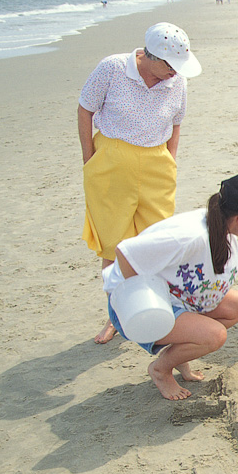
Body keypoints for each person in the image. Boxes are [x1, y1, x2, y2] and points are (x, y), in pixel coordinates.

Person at [79, 22, 202, 344]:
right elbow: (85, 108)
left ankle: (158, 311)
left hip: (156, 163)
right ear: (151, 57)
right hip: (111, 160)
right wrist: (89, 157)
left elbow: (177, 122)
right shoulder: (113, 68)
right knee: (113, 243)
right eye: (171, 67)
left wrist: (170, 159)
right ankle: (115, 318)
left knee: (157, 241)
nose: (176, 73)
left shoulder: (176, 82)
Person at [102, 174, 238, 400]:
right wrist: (140, 303)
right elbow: (125, 252)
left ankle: (180, 353)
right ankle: (161, 369)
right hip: (139, 311)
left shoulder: (220, 225)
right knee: (215, 336)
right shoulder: (190, 236)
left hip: (182, 297)